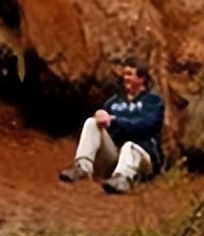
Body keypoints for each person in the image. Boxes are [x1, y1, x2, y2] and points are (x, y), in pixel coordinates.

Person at [58, 57, 164, 194]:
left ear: (142, 78)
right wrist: (101, 118)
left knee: (129, 146)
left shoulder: (153, 101)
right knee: (91, 123)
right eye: (125, 74)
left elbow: (147, 126)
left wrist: (115, 120)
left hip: (142, 157)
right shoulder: (114, 102)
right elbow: (107, 127)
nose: (126, 78)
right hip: (115, 156)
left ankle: (123, 178)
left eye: (130, 74)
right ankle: (82, 168)